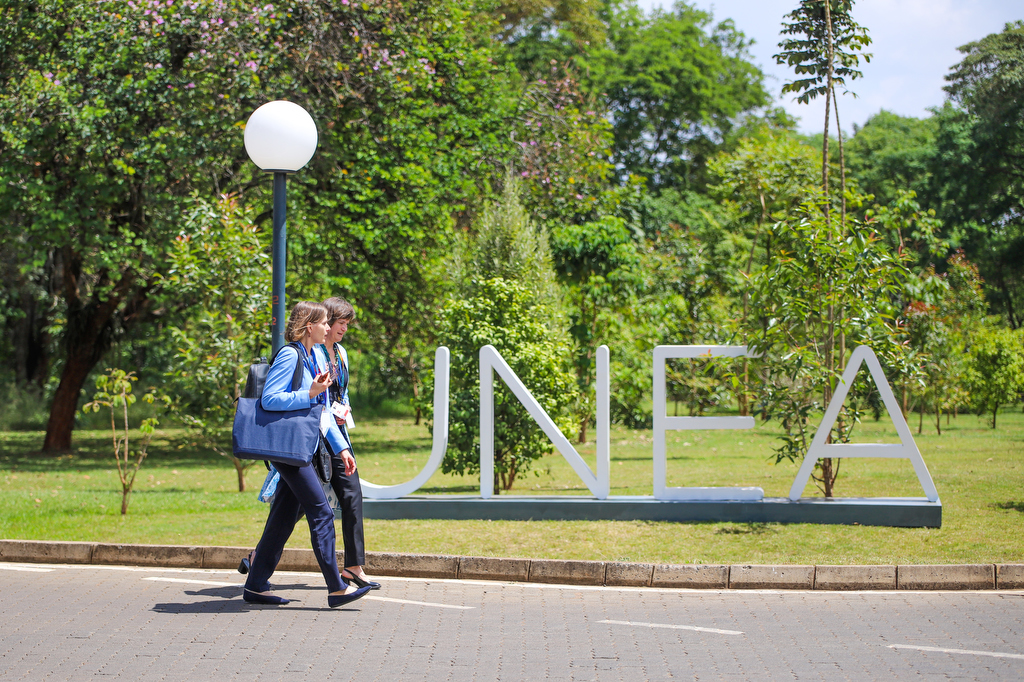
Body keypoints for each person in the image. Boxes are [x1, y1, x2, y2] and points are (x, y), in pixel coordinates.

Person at [242, 301, 372, 608]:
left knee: (283, 519)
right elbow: (270, 399)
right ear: (309, 326)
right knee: (322, 513)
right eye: (324, 322)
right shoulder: (290, 355)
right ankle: (337, 588)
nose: (328, 328)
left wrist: (341, 447)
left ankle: (256, 585)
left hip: (305, 446)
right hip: (289, 449)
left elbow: (321, 410)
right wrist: (309, 393)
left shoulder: (313, 356)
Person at [318, 297, 380, 590]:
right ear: (327, 322)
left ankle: (354, 566)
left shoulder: (341, 352)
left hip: (338, 434)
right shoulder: (312, 351)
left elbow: (342, 392)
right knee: (292, 505)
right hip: (315, 436)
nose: (344, 329)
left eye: (346, 324)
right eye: (340, 323)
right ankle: (259, 557)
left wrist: (345, 411)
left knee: (352, 494)